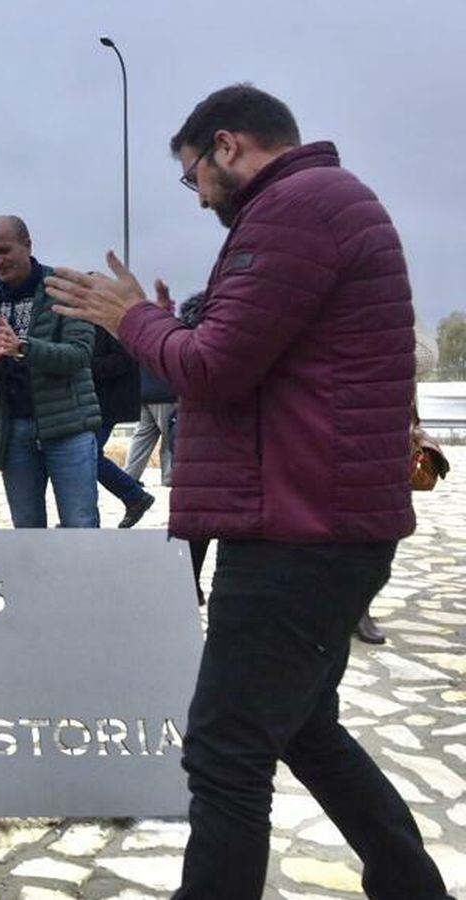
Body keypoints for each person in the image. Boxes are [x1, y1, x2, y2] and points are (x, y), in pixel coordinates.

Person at [45, 84, 450, 899]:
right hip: (321, 522)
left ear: (227, 146)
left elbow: (217, 369)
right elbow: (245, 354)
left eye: (191, 174)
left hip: (297, 532)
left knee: (225, 752)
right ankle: (412, 887)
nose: (196, 195)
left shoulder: (296, 210)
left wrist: (132, 321)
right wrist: (171, 326)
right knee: (302, 725)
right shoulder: (321, 203)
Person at [0, 216, 101, 528]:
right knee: (26, 532)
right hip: (15, 432)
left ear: (27, 244)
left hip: (69, 428)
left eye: (4, 250)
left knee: (81, 525)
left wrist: (24, 347)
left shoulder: (64, 290)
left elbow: (79, 355)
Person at [91, 326, 157, 527]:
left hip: (105, 402)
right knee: (86, 457)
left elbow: (123, 360)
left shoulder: (110, 318)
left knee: (87, 455)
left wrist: (81, 365)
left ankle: (133, 496)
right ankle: (133, 496)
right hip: (91, 400)